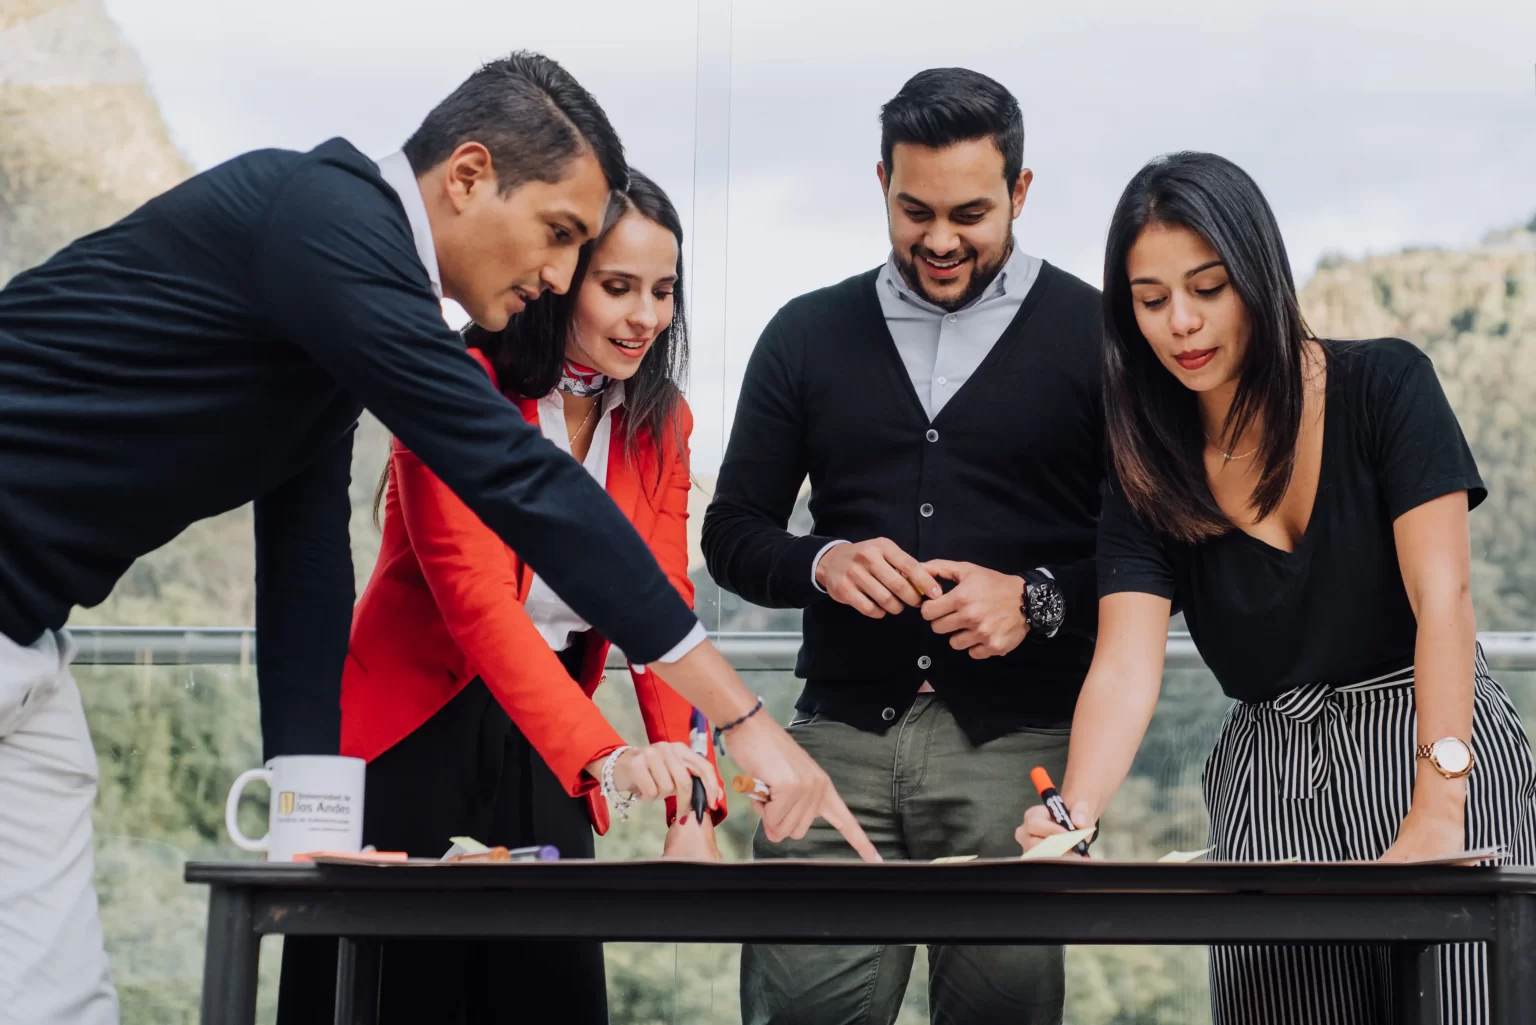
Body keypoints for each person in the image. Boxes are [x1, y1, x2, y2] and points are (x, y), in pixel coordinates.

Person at [0, 50, 872, 1025]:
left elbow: (304, 564)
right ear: (465, 177)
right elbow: (516, 478)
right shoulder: (323, 220)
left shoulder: (337, 315)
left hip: (26, 636)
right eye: (559, 235)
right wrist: (748, 720)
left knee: (59, 1002)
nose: (555, 274)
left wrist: (308, 820)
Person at [1019, 151, 1536, 1025]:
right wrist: (1076, 815)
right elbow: (1126, 666)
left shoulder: (1387, 385)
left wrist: (1440, 805)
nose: (1181, 322)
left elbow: (1443, 599)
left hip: (1434, 740)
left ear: (1257, 272)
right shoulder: (1149, 462)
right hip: (1274, 780)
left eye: (1208, 287)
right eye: (1151, 301)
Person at [705, 68, 1104, 1024]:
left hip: (1023, 753)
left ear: (1021, 190)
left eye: (970, 212)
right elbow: (731, 532)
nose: (938, 239)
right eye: (912, 208)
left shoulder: (1100, 336)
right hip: (833, 744)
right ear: (880, 180)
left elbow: (1156, 557)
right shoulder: (805, 334)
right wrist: (822, 563)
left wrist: (1035, 597)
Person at [342, 171, 722, 1023]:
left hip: (550, 729)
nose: (646, 317)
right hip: (414, 730)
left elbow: (659, 598)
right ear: (557, 280)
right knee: (398, 998)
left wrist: (690, 798)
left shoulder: (662, 421)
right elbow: (478, 605)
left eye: (663, 292)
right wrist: (615, 758)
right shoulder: (456, 385)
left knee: (555, 993)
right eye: (617, 287)